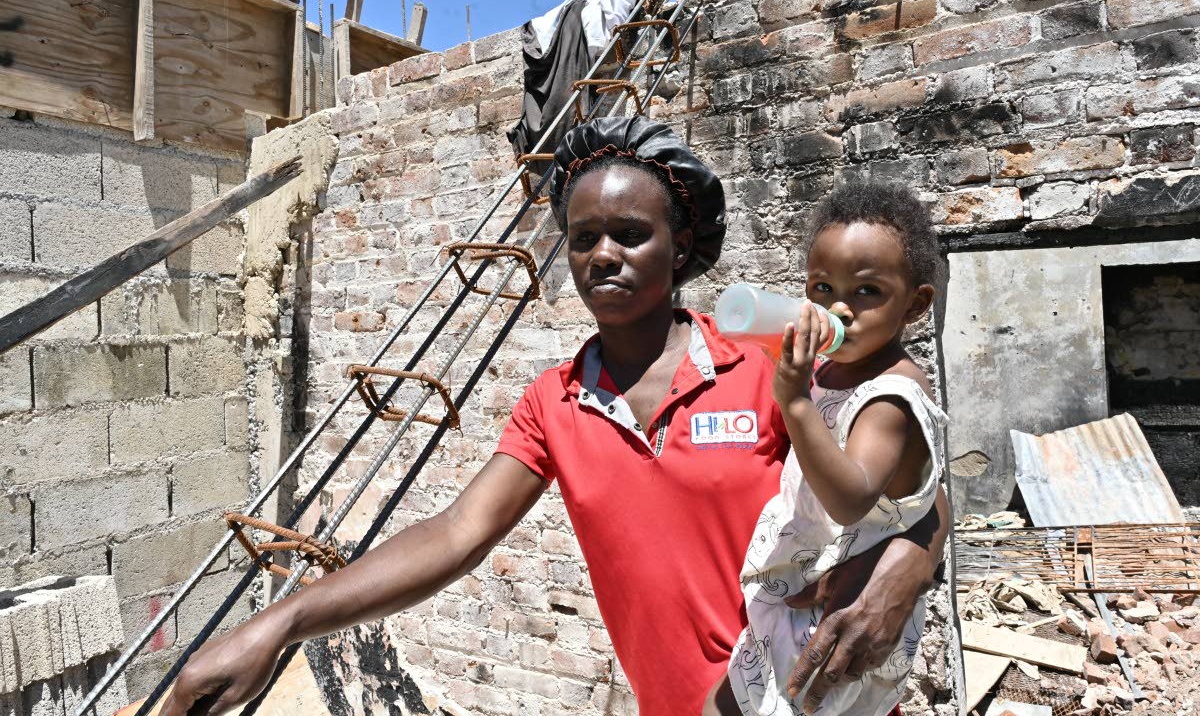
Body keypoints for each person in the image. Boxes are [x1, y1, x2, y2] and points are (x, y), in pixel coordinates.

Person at [161, 117, 949, 716]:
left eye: (632, 235)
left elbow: (911, 473)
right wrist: (279, 624)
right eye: (583, 240)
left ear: (681, 251)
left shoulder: (765, 361)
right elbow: (455, 535)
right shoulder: (555, 402)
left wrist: (908, 568)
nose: (604, 254)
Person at [722, 181, 948, 715]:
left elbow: (852, 498)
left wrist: (796, 404)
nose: (840, 309)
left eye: (867, 291)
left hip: (836, 621)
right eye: (822, 288)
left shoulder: (890, 395)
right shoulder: (832, 371)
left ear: (915, 305)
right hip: (801, 595)